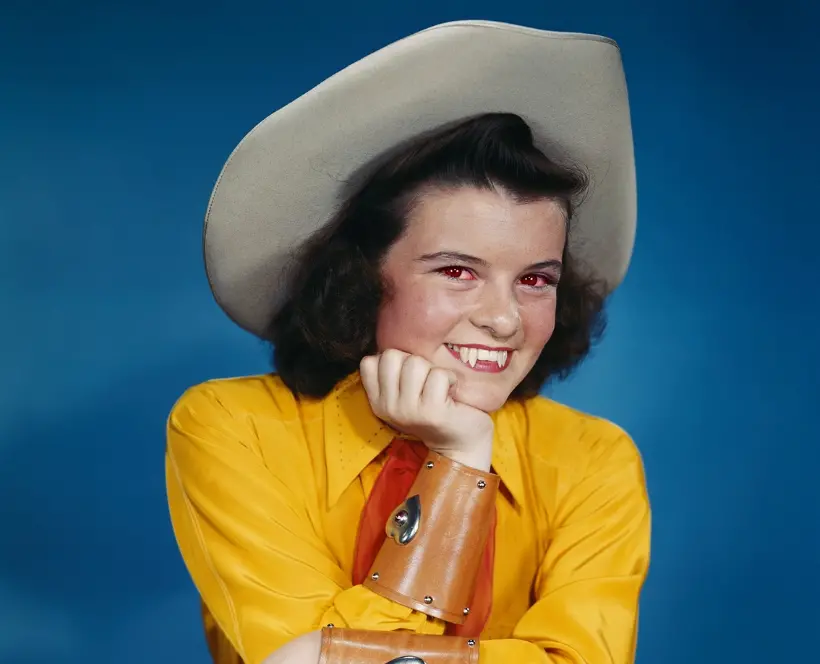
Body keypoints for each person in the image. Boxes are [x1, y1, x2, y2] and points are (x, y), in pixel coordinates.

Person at [166, 19, 650, 664]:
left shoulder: (595, 460)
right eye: (457, 271)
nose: (505, 319)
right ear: (361, 279)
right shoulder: (231, 428)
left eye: (536, 279)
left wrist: (334, 650)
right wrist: (459, 466)